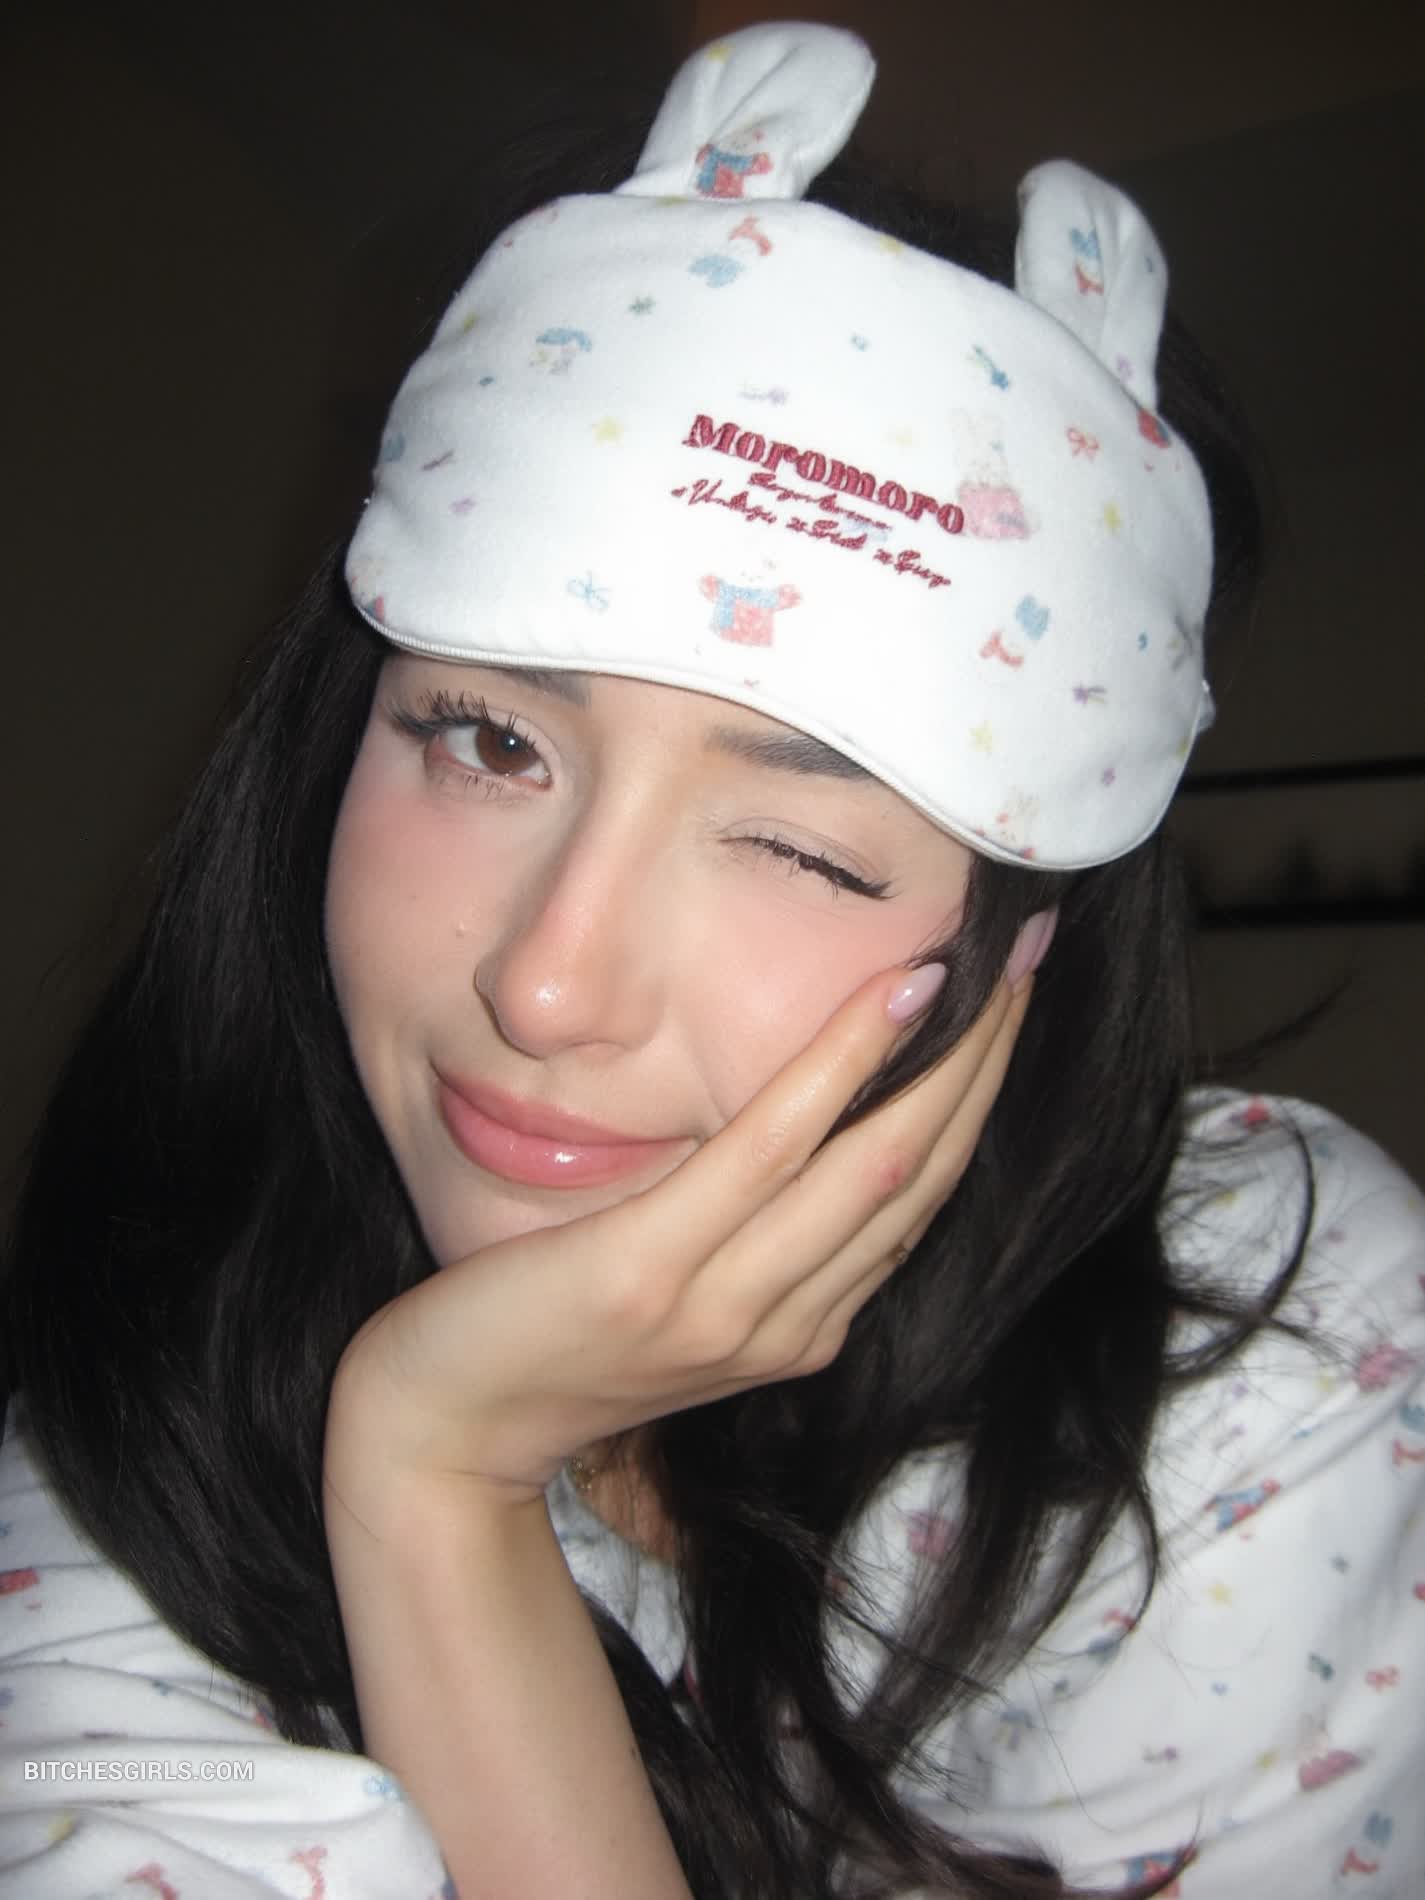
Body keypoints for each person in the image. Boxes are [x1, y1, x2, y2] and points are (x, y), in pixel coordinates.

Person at [1, 21, 1421, 1899]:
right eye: (488, 740)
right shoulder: (131, 1427)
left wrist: (433, 1488)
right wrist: (426, 1463)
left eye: (801, 847)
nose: (546, 988)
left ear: (1034, 941)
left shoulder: (1273, 1363)